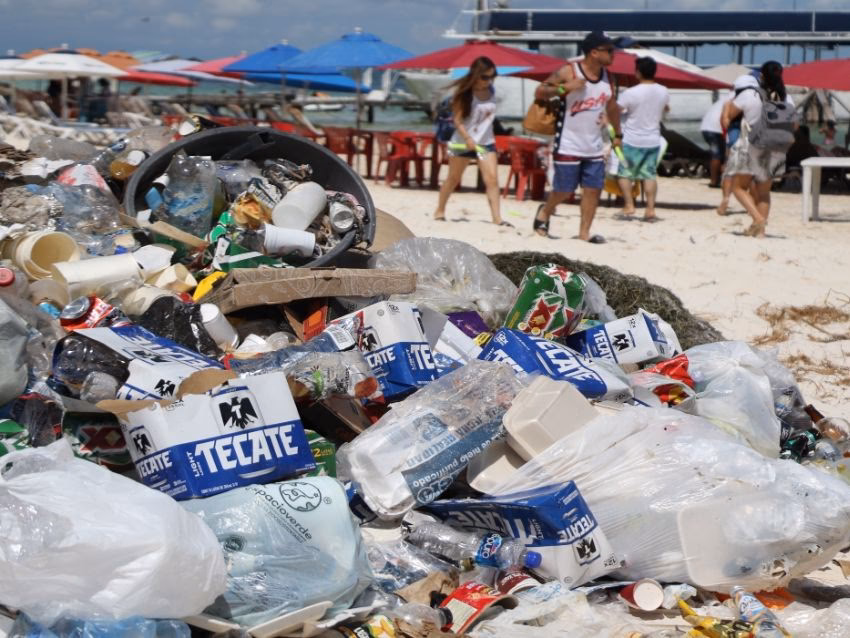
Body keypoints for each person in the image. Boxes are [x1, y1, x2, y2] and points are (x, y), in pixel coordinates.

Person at [532, 31, 622, 243]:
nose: (613, 54)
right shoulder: (569, 70)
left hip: (594, 146)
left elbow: (612, 107)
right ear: (594, 52)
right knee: (564, 190)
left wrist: (618, 134)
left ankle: (584, 234)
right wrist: (565, 87)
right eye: (609, 50)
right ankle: (545, 211)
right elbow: (540, 91)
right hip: (568, 143)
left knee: (593, 190)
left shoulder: (609, 77)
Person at [721, 61, 795, 238]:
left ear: (761, 75)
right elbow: (795, 126)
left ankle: (757, 219)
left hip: (751, 144)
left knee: (739, 188)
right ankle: (760, 231)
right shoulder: (787, 98)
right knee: (763, 192)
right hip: (776, 147)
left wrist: (726, 112)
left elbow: (728, 118)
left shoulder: (749, 94)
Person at [433, 56, 508, 226]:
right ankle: (440, 210)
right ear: (476, 74)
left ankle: (497, 218)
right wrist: (468, 138)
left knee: (492, 180)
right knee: (453, 178)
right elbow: (457, 120)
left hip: (486, 143)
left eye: (492, 76)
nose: (489, 81)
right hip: (461, 143)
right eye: (485, 77)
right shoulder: (464, 93)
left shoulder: (492, 91)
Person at [615, 56, 669, 222]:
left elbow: (616, 111)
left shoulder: (630, 93)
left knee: (624, 173)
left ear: (637, 72)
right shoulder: (663, 90)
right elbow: (666, 108)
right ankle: (650, 209)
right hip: (653, 138)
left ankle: (629, 205)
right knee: (649, 175)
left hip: (632, 139)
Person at [701, 91, 732, 188]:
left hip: (706, 127)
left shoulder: (725, 97)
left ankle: (714, 180)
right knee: (720, 155)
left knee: (717, 155)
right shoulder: (736, 98)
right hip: (716, 129)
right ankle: (717, 181)